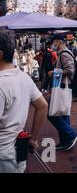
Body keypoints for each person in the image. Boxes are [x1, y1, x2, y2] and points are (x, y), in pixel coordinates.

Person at [0, 30, 48, 173]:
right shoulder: (23, 77)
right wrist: (33, 139)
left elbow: (43, 106)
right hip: (18, 148)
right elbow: (42, 106)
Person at [47, 34, 77, 151]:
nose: (52, 45)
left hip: (63, 87)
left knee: (51, 113)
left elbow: (70, 70)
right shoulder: (63, 53)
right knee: (63, 114)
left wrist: (54, 72)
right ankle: (65, 141)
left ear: (59, 42)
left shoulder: (65, 54)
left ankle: (71, 134)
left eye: (54, 42)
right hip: (62, 87)